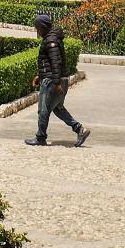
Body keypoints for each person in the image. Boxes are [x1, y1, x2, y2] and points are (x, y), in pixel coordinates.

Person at [24, 13, 90, 148]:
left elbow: (56, 62)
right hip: (54, 79)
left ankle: (40, 137)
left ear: (42, 27)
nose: (37, 31)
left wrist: (57, 82)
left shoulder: (50, 41)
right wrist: (40, 76)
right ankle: (79, 129)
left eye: (37, 28)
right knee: (58, 109)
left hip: (53, 81)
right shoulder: (53, 38)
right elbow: (49, 62)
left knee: (43, 109)